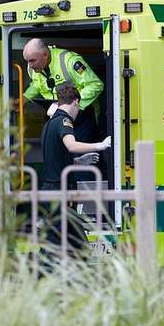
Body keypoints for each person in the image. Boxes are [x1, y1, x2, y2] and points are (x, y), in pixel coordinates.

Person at [36, 82, 110, 255]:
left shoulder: (49, 124)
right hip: (59, 192)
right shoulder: (64, 121)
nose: (78, 112)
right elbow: (71, 145)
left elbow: (57, 159)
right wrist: (99, 145)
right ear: (76, 102)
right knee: (57, 242)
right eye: (79, 107)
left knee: (73, 240)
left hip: (52, 190)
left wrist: (80, 162)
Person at [22, 38, 104, 143]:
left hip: (80, 114)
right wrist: (25, 98)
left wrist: (70, 105)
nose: (30, 65)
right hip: (55, 115)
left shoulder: (69, 61)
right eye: (28, 61)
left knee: (81, 150)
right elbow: (37, 83)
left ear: (45, 55)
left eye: (32, 61)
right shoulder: (35, 67)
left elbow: (95, 85)